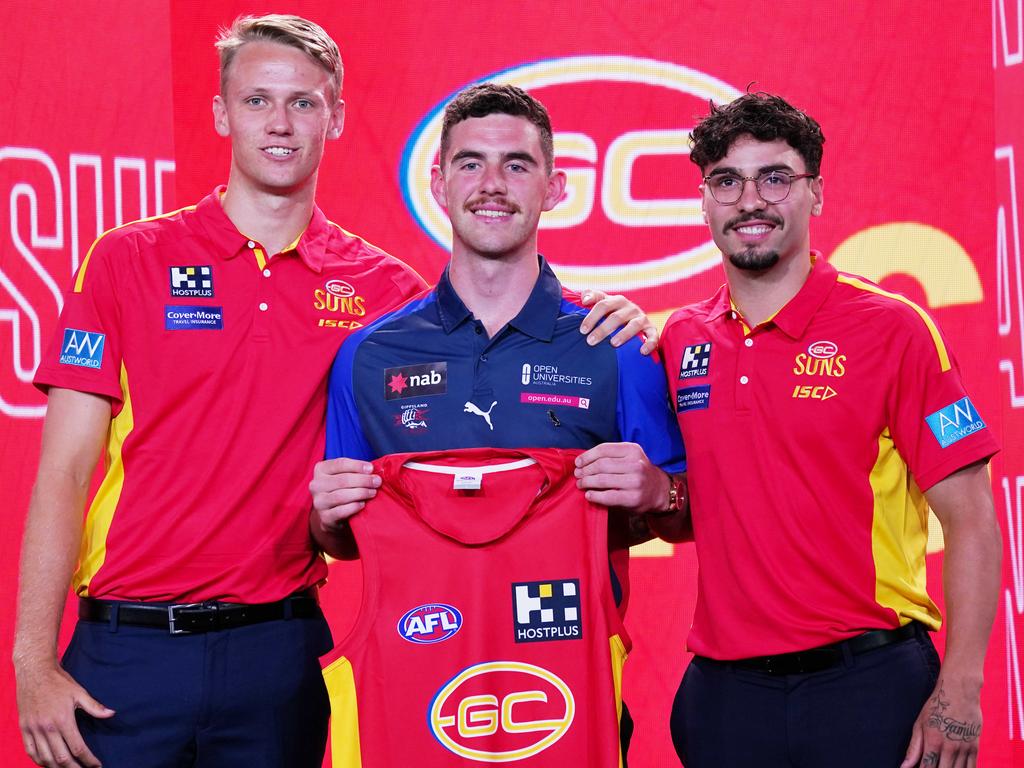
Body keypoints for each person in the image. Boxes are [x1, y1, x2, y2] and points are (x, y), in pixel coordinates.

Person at [12, 18, 651, 768]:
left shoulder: (384, 296)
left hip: (280, 651)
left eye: (304, 104)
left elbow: (493, 344)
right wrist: (31, 659)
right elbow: (62, 469)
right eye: (256, 101)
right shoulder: (128, 259)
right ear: (221, 114)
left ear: (337, 117)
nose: (280, 125)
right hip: (127, 648)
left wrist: (609, 316)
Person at [310, 82, 687, 764]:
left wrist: (660, 491)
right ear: (438, 183)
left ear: (555, 187)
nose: (493, 184)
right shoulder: (369, 357)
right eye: (470, 163)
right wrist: (327, 515)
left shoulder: (615, 345)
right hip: (412, 698)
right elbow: (339, 540)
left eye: (516, 164)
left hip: (568, 696)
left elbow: (684, 518)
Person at [655, 92, 1001, 768]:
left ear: (815, 194)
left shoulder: (893, 328)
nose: (749, 199)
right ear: (704, 202)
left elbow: (973, 519)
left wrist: (960, 689)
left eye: (775, 177)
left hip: (868, 687)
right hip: (726, 700)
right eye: (727, 180)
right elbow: (689, 512)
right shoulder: (679, 338)